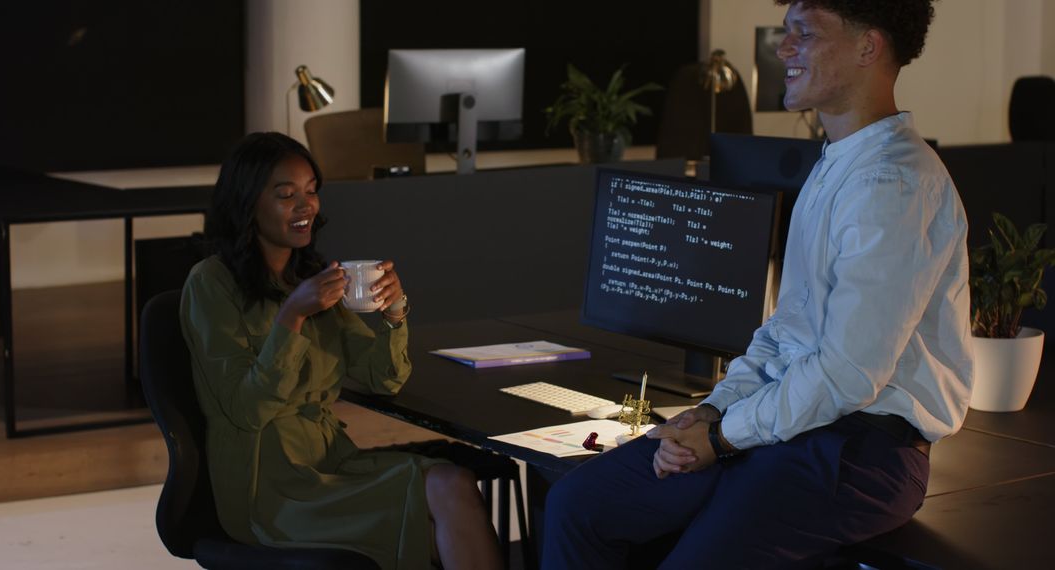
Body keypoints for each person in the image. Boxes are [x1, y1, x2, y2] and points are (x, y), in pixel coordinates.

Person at [543, 0, 973, 567]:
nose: (782, 47)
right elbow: (787, 328)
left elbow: (848, 374)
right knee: (580, 503)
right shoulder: (837, 163)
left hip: (864, 450)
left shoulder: (893, 183)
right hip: (797, 423)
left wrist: (722, 439)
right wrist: (712, 413)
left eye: (805, 34)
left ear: (868, 47)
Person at [180, 132, 502, 570]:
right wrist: (291, 318)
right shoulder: (210, 283)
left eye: (311, 192)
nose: (305, 206)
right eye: (286, 194)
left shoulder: (313, 279)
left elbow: (382, 378)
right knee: (436, 522)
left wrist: (394, 313)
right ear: (248, 202)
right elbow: (247, 409)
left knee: (454, 483)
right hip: (270, 487)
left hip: (333, 463)